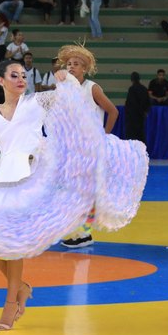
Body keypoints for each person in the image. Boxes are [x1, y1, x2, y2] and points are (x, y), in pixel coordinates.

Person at [0, 59, 146, 330]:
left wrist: (65, 78)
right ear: (1, 80)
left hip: (32, 176)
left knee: (13, 241)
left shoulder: (37, 102)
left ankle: (10, 304)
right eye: (14, 75)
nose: (21, 79)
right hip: (2, 177)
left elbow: (66, 97)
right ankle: (21, 287)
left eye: (23, 75)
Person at [57, 44, 122, 249]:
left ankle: (84, 234)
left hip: (89, 149)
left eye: (76, 64)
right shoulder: (65, 90)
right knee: (71, 192)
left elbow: (113, 111)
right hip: (71, 148)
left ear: (84, 68)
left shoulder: (92, 87)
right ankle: (75, 231)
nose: (71, 67)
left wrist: (105, 135)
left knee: (85, 193)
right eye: (69, 64)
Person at [125, 71, 150, 144]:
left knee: (132, 135)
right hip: (141, 115)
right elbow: (148, 102)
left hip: (132, 116)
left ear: (131, 79)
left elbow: (129, 103)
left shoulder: (132, 89)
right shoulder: (144, 89)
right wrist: (145, 111)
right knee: (140, 134)